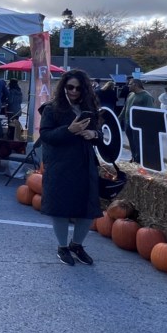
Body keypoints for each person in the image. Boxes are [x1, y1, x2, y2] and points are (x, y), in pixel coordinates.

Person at [39, 69, 101, 266]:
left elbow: (99, 132)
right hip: (61, 165)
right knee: (61, 209)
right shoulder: (52, 108)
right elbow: (46, 136)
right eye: (70, 87)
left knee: (87, 208)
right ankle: (62, 247)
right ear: (63, 87)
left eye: (78, 88)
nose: (74, 91)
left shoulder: (89, 107)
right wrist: (69, 130)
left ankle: (77, 244)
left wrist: (94, 134)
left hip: (85, 164)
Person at [121, 78, 156, 163]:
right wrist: (119, 118)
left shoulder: (146, 96)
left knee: (138, 143)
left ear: (135, 85)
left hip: (138, 125)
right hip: (128, 122)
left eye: (130, 84)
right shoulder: (130, 94)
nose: (128, 86)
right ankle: (134, 157)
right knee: (131, 142)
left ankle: (139, 160)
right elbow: (125, 107)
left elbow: (149, 112)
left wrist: (146, 126)